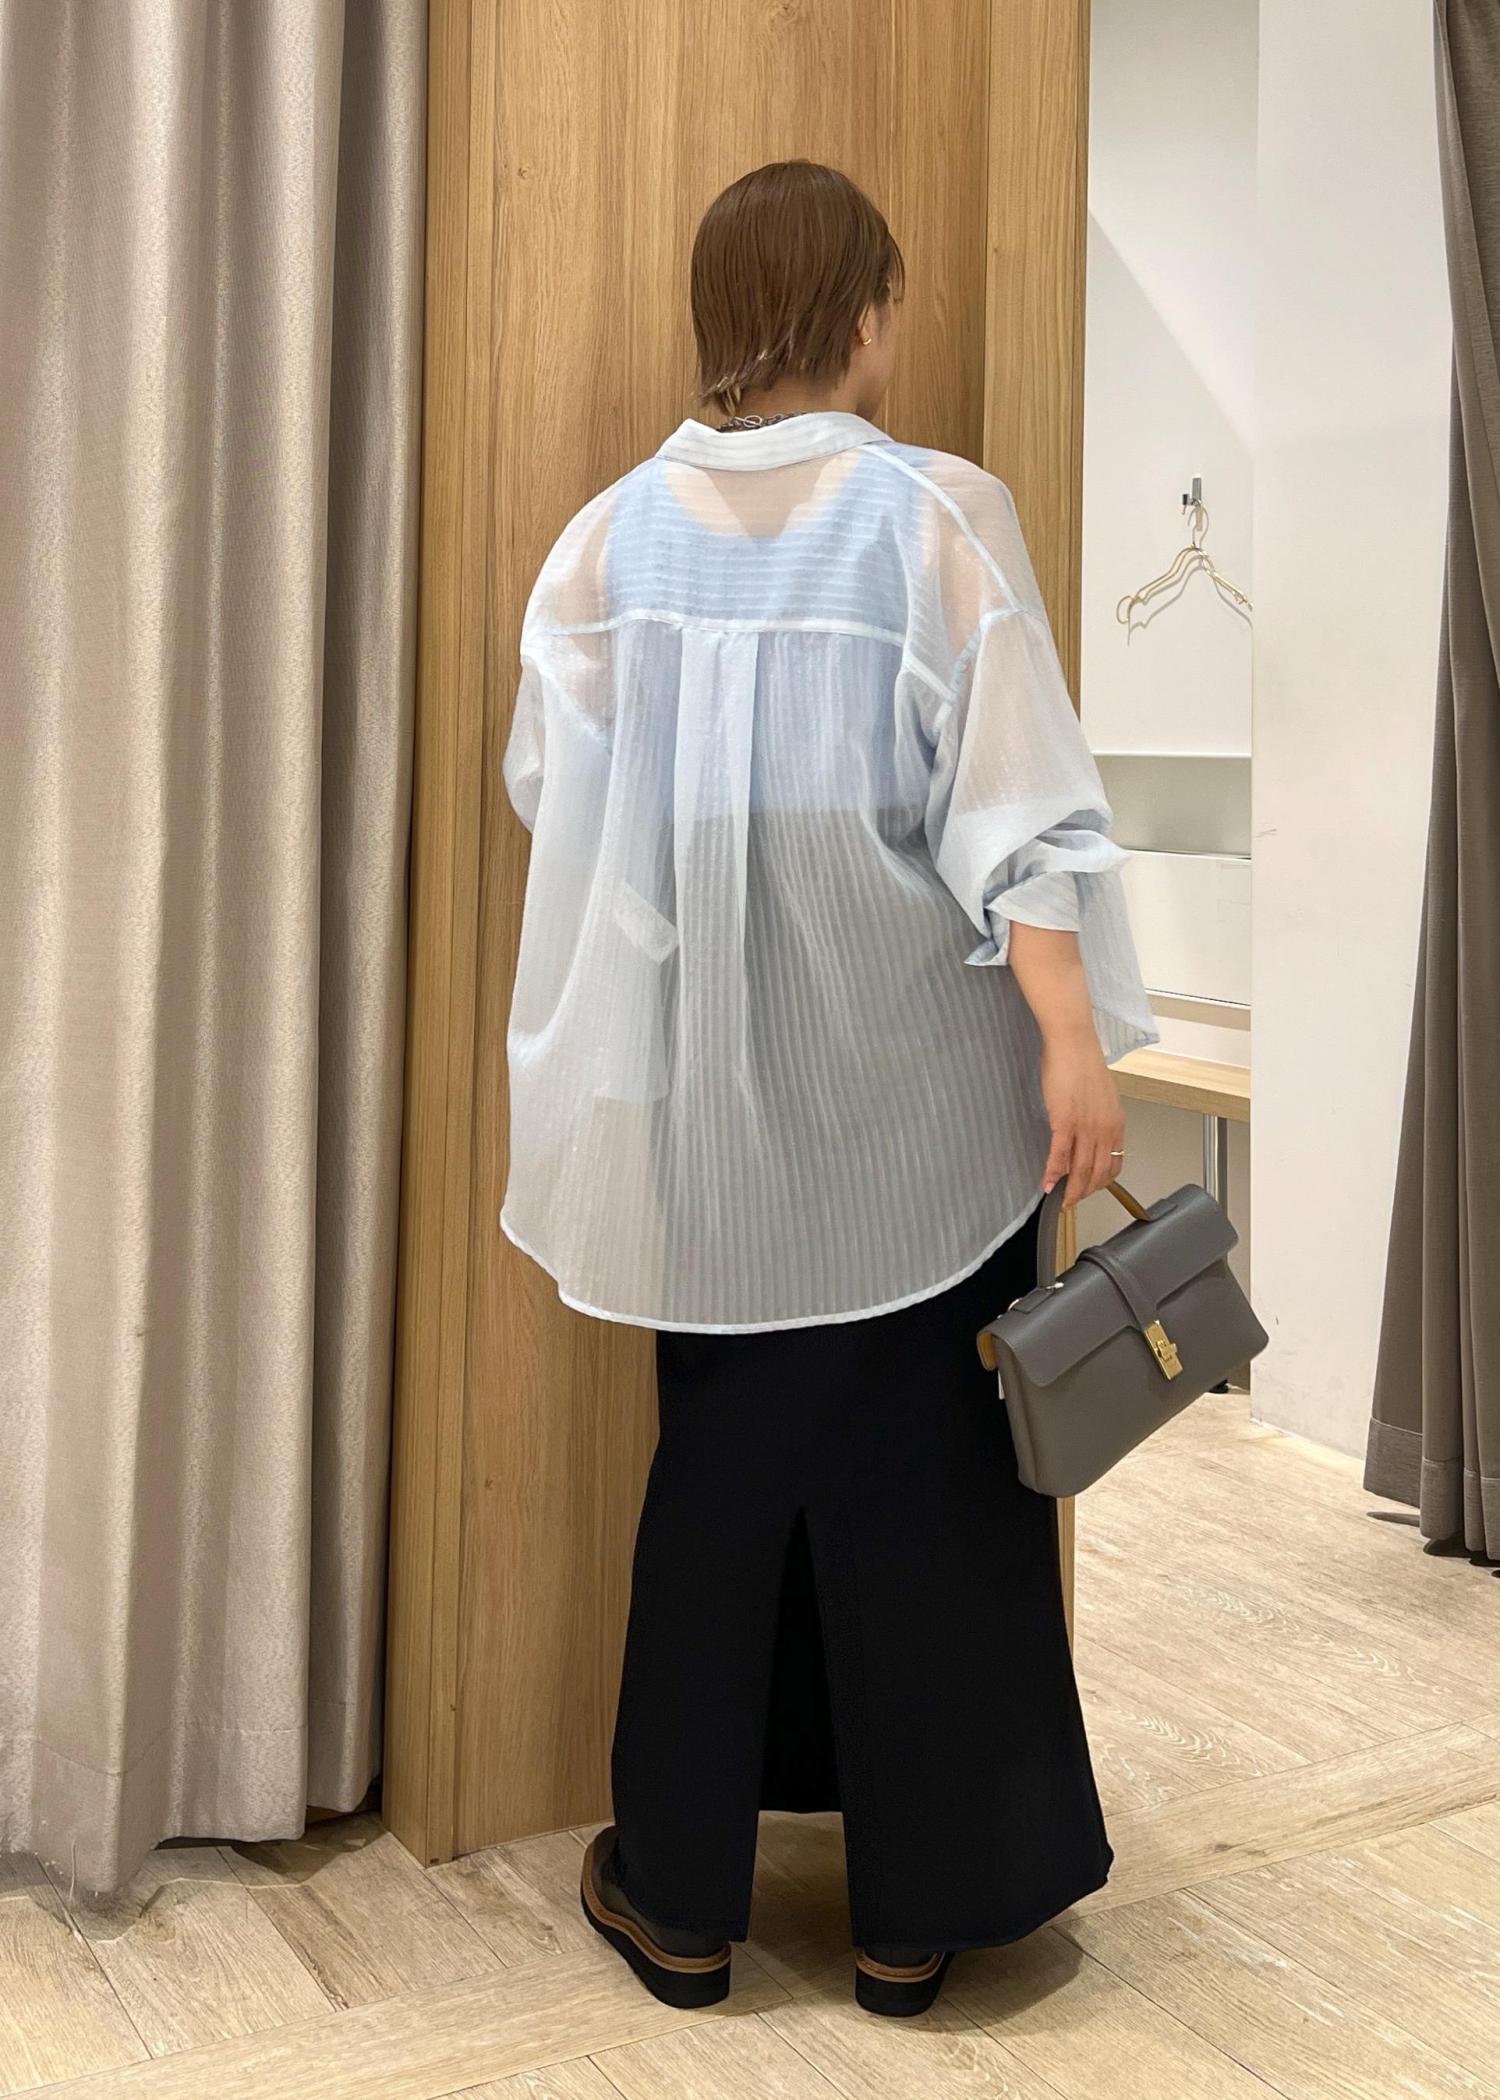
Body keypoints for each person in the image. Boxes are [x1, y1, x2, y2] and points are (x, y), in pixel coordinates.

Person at [501, 160, 1156, 2018]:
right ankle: (911, 1918)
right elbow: (1018, 806)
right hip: (920, 1112)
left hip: (701, 1108)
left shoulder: (607, 544)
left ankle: (681, 1900)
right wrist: (1074, 1041)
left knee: (717, 1484)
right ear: (863, 314)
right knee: (929, 1485)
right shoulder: (935, 516)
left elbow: (558, 798)